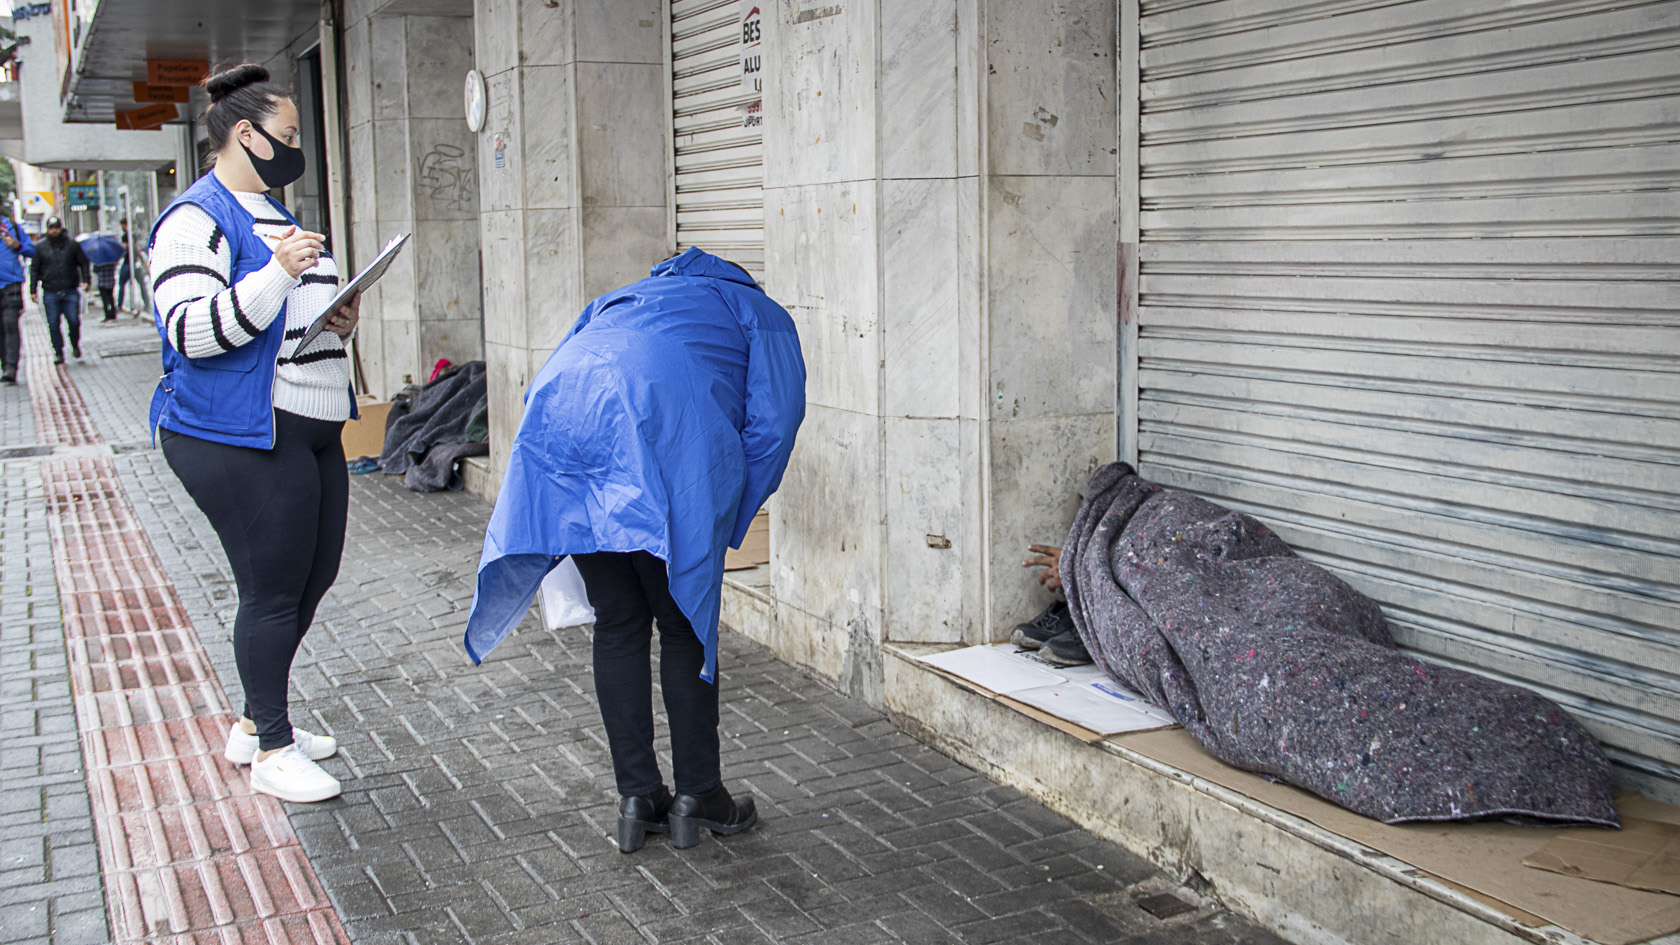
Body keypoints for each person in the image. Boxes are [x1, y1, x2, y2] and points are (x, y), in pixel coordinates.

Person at [463, 247, 805, 853]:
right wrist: (725, 513)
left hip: (566, 425)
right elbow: (774, 427)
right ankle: (701, 796)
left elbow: (566, 368)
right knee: (682, 626)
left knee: (619, 621)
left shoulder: (624, 296)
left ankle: (637, 798)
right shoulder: (758, 309)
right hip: (659, 434)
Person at [147, 62, 362, 804]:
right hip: (238, 434)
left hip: (312, 428)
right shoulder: (194, 219)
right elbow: (191, 330)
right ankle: (271, 748)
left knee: (314, 574)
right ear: (247, 133)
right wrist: (276, 272)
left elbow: (292, 317)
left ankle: (255, 718)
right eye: (289, 134)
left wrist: (339, 314)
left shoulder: (273, 208)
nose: (298, 146)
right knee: (270, 590)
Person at [29, 217, 90, 364]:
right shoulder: (40, 247)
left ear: (61, 228)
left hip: (70, 289)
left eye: (56, 227)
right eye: (51, 228)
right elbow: (34, 269)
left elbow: (83, 262)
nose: (54, 230)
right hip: (50, 290)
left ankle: (74, 343)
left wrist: (86, 280)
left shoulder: (72, 245)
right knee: (53, 323)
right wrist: (33, 289)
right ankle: (58, 352)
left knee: (74, 320)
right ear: (47, 229)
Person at [0, 213, 35, 384]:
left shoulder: (11, 227)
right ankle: (5, 364)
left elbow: (32, 250)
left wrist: (17, 245)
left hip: (11, 285)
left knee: (9, 323)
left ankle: (11, 367)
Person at [94, 256, 119, 323]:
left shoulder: (98, 260)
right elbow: (114, 268)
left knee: (105, 300)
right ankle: (113, 314)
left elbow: (95, 270)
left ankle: (107, 315)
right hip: (110, 281)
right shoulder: (112, 259)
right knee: (111, 298)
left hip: (102, 282)